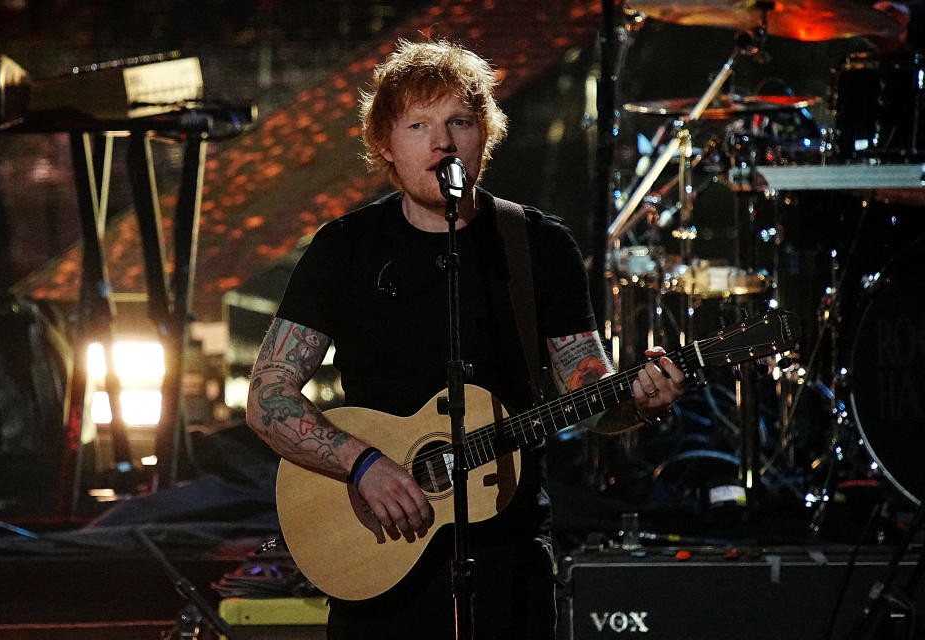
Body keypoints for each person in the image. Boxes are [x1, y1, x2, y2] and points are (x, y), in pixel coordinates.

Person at [246, 38, 686, 640]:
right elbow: (269, 396)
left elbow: (586, 387)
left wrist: (635, 402)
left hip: (508, 561)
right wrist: (364, 464)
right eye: (419, 124)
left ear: (486, 135)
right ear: (385, 146)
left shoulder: (538, 246)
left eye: (460, 121)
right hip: (379, 549)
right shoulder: (344, 249)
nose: (442, 142)